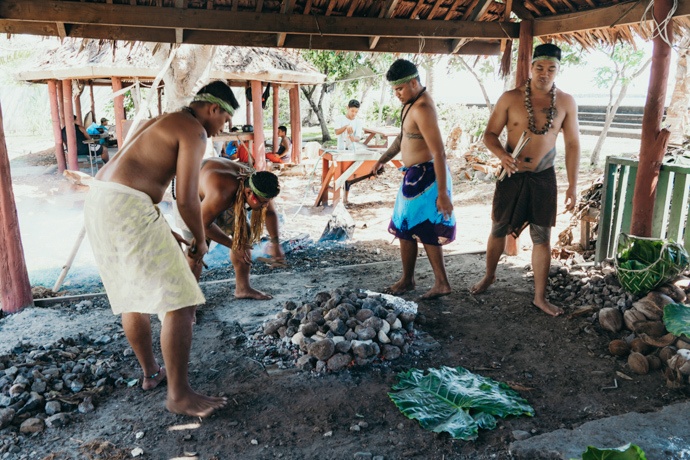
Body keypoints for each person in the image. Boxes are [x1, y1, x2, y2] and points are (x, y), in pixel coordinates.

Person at [83, 80, 239, 417]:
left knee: (132, 293)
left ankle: (152, 374)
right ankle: (179, 395)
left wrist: (161, 227)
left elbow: (133, 177)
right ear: (213, 109)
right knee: (182, 301)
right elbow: (185, 198)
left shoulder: (160, 120)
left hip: (102, 201)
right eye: (224, 120)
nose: (221, 128)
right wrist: (199, 240)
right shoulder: (194, 130)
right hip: (127, 206)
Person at [469, 43, 580, 317]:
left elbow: (574, 144)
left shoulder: (566, 102)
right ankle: (489, 276)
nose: (545, 73)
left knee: (542, 236)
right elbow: (490, 135)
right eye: (539, 67)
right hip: (512, 173)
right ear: (531, 67)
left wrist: (573, 185)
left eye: (551, 69)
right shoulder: (510, 98)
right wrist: (501, 156)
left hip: (544, 176)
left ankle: (540, 297)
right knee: (498, 228)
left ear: (558, 70)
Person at [371, 59, 456, 300]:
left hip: (429, 177)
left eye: (399, 89)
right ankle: (407, 279)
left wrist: (443, 194)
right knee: (404, 226)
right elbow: (403, 137)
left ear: (413, 82)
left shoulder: (423, 108)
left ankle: (442, 282)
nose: (397, 94)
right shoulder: (410, 104)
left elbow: (439, 152)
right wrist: (383, 159)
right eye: (394, 90)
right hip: (413, 175)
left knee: (425, 227)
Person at [176, 158, 283, 300]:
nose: (265, 206)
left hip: (214, 190)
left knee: (243, 234)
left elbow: (269, 212)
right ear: (249, 193)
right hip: (188, 193)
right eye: (263, 203)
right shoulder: (222, 193)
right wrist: (233, 245)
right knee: (196, 249)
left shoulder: (255, 182)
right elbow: (202, 225)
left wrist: (275, 242)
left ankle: (243, 288)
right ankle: (187, 302)